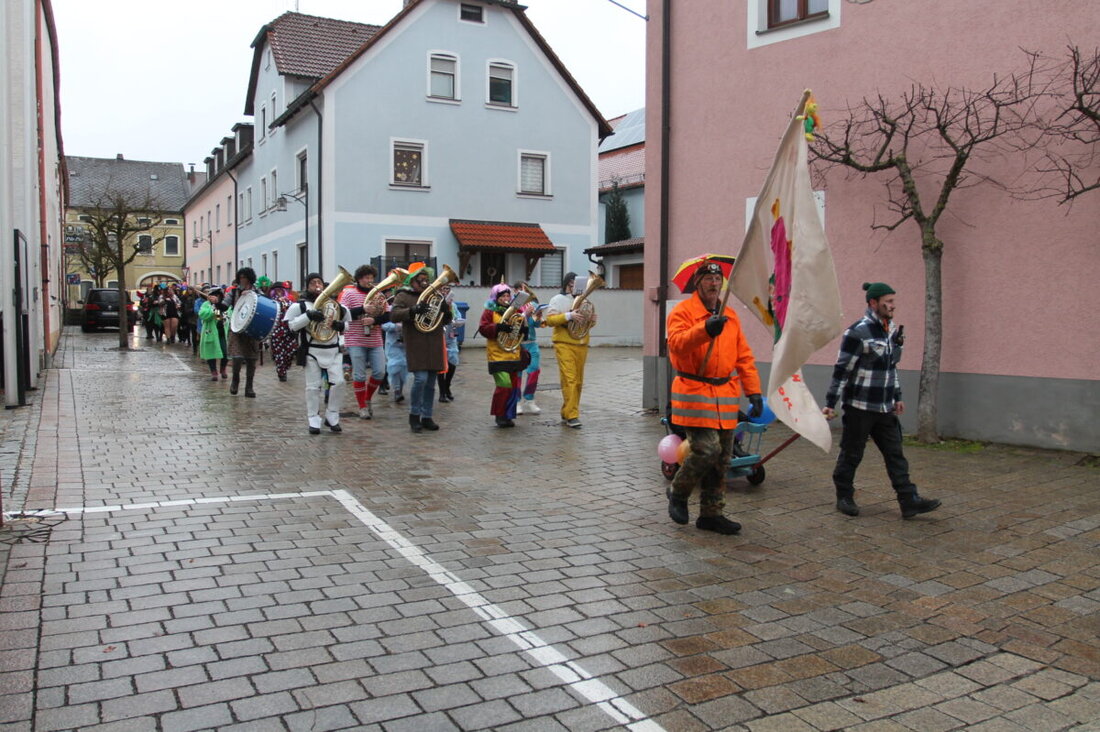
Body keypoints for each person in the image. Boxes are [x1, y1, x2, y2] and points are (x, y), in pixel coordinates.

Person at [823, 282, 941, 519]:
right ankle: (844, 495)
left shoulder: (891, 331)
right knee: (852, 453)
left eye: (893, 301)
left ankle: (909, 500)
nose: (892, 305)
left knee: (895, 454)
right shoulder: (857, 332)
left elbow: (891, 368)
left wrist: (897, 396)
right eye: (887, 301)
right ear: (873, 303)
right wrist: (830, 402)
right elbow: (842, 370)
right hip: (859, 406)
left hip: (884, 407)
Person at [666, 261, 763, 536]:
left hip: (725, 396)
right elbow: (676, 345)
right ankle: (678, 491)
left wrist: (753, 390)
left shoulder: (729, 314)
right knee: (705, 450)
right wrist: (705, 330)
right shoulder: (682, 312)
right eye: (708, 278)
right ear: (697, 283)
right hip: (695, 393)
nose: (714, 283)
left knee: (722, 459)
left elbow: (743, 356)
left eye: (717, 278)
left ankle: (711, 514)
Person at [389, 265, 452, 433]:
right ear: (413, 281)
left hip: (434, 343)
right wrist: (413, 310)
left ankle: (427, 416)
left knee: (431, 384)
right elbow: (394, 315)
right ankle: (414, 415)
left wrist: (446, 309)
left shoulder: (435, 296)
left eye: (426, 280)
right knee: (420, 379)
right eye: (421, 280)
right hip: (416, 343)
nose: (425, 283)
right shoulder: (403, 295)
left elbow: (446, 320)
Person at [284, 272, 349, 434]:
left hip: (333, 350)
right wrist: (308, 316)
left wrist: (340, 326)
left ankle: (332, 415)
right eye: (313, 283)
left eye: (319, 282)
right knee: (313, 387)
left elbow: (348, 323)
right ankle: (313, 418)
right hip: (312, 350)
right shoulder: (300, 306)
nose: (317, 286)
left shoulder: (336, 305)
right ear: (307, 286)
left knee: (339, 383)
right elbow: (290, 326)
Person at [544, 272, 595, 428]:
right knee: (570, 379)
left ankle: (568, 412)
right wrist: (568, 316)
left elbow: (585, 325)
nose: (575, 287)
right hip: (564, 343)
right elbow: (550, 320)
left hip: (581, 343)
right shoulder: (557, 300)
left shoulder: (584, 300)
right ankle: (572, 415)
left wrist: (591, 321)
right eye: (573, 284)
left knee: (578, 381)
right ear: (567, 284)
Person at [339, 265, 390, 419]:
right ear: (359, 278)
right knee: (360, 375)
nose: (369, 281)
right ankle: (362, 406)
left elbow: (388, 315)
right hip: (355, 339)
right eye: (366, 278)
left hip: (375, 339)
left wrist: (374, 319)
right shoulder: (349, 294)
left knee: (380, 372)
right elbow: (342, 314)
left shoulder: (378, 294)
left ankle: (367, 398)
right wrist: (362, 309)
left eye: (371, 278)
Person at [478, 283, 527, 427]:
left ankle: (508, 415)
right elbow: (483, 328)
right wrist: (499, 327)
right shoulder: (489, 311)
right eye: (503, 296)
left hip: (513, 354)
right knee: (503, 386)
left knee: (512, 388)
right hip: (497, 355)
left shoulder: (515, 311)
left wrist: (522, 329)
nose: (506, 298)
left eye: (508, 296)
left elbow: (521, 329)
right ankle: (499, 415)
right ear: (496, 297)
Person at [223, 268, 262, 398]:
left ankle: (249, 387)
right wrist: (216, 302)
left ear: (250, 279)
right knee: (237, 357)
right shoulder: (233, 292)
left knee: (251, 359)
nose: (242, 280)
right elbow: (224, 305)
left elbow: (263, 304)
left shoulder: (257, 292)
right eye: (241, 278)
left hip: (252, 329)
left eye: (245, 278)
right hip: (237, 328)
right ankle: (235, 381)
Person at [514, 286, 544, 415]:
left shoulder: (532, 304)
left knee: (534, 371)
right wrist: (524, 315)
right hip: (518, 344)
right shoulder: (513, 305)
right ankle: (516, 402)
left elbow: (537, 325)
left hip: (532, 343)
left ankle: (529, 399)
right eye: (518, 291)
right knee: (517, 374)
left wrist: (538, 316)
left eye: (524, 291)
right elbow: (513, 323)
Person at [267, 281, 298, 382]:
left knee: (291, 351)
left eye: (281, 290)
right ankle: (281, 373)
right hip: (276, 331)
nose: (279, 292)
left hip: (288, 330)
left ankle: (286, 366)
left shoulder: (289, 301)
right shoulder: (271, 302)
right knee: (279, 353)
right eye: (276, 290)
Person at [198, 287, 229, 380]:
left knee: (225, 352)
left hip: (223, 332)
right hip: (211, 332)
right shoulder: (206, 305)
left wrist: (218, 305)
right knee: (211, 352)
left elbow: (226, 316)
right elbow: (203, 315)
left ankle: (223, 369)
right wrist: (214, 307)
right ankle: (213, 372)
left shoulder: (224, 305)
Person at [438, 285, 462, 402]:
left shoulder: (454, 305)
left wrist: (457, 321)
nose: (445, 291)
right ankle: (442, 392)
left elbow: (458, 317)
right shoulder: (437, 304)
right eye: (443, 289)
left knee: (452, 364)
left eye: (447, 289)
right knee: (441, 366)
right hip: (439, 337)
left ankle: (447, 387)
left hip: (451, 337)